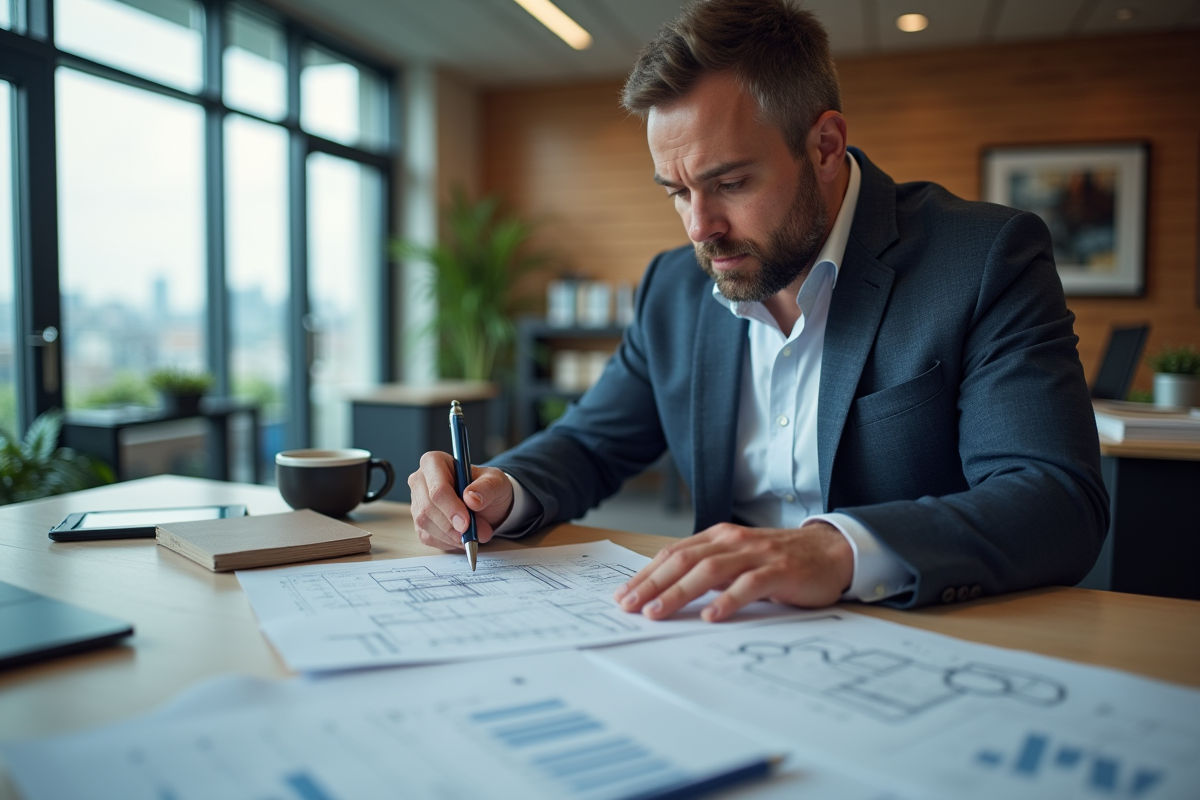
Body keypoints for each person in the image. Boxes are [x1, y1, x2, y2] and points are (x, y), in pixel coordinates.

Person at [408, 0, 1107, 617]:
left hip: (913, 629)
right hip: (727, 636)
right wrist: (501, 487)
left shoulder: (983, 259)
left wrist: (837, 551)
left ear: (826, 146)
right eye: (676, 192)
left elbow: (1055, 500)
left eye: (730, 182)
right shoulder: (674, 288)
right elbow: (591, 442)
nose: (698, 228)